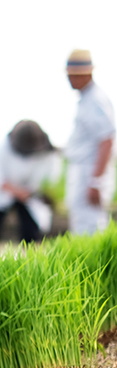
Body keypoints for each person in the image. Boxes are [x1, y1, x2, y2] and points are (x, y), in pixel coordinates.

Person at [0, 120, 58, 255]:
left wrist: (37, 193)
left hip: (29, 193)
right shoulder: (0, 149)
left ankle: (32, 264)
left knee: (31, 232)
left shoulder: (47, 151)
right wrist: (18, 191)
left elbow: (50, 177)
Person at [64, 49, 116, 234]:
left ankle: (92, 263)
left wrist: (96, 181)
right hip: (83, 170)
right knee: (81, 223)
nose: (70, 80)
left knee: (89, 225)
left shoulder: (95, 100)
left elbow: (107, 139)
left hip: (89, 171)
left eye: (74, 76)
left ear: (87, 74)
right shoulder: (87, 99)